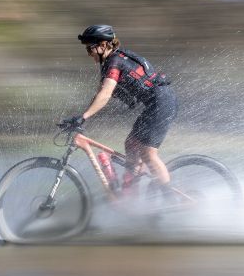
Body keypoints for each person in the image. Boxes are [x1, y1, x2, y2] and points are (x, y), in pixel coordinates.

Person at [62, 24, 178, 196]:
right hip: (155, 104)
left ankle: (171, 200)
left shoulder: (114, 62)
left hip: (161, 103)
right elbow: (101, 94)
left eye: (90, 48)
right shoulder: (113, 61)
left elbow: (106, 93)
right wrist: (81, 115)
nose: (89, 53)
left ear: (103, 45)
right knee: (131, 144)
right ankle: (130, 193)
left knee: (148, 154)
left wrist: (83, 117)